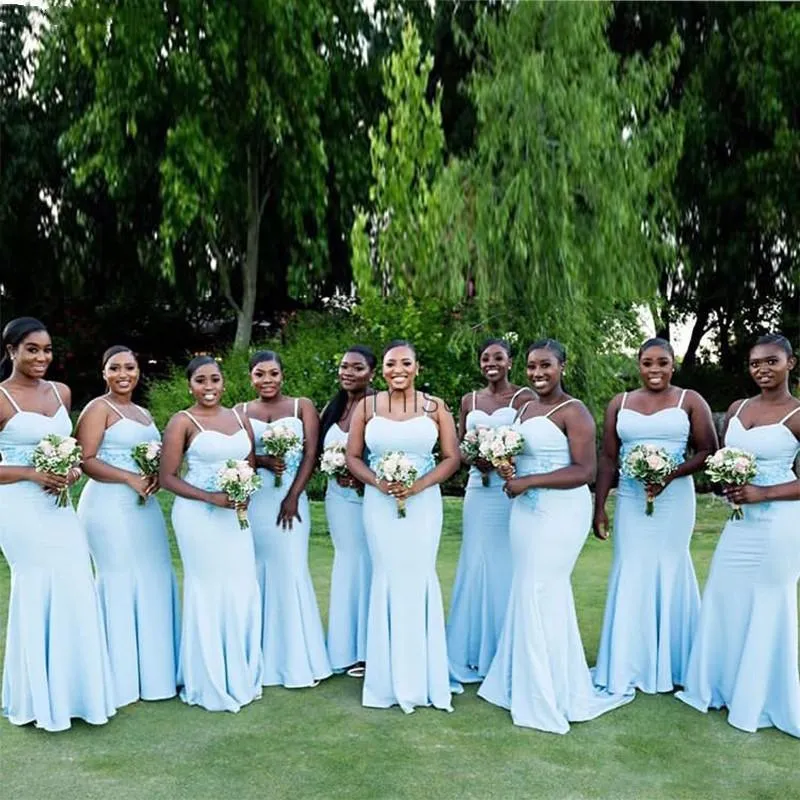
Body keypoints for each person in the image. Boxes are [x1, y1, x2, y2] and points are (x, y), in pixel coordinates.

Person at [478, 339, 634, 732]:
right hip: (524, 512)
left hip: (561, 511)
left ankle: (551, 692)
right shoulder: (526, 406)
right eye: (531, 366)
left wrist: (528, 480)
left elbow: (584, 470)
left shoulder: (575, 411)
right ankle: (523, 682)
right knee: (526, 587)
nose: (537, 373)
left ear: (562, 366)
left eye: (545, 365)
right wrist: (508, 465)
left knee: (542, 588)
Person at [676, 334, 800, 737]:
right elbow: (725, 458)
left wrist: (764, 492)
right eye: (754, 363)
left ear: (790, 363)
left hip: (779, 521)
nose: (762, 368)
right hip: (740, 521)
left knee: (767, 602)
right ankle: (720, 685)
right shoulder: (737, 409)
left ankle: (758, 698)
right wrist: (724, 481)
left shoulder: (798, 414)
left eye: (771, 361)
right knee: (724, 594)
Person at [0, 317, 116, 731]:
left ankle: (78, 694)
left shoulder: (61, 392)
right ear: (11, 350)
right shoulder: (0, 398)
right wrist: (32, 474)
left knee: (74, 580)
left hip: (60, 504)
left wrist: (69, 471)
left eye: (47, 350)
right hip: (17, 504)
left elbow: (71, 450)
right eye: (32, 349)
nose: (41, 357)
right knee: (37, 584)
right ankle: (36, 699)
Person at [592, 338, 717, 694]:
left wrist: (670, 474)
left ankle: (675, 663)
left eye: (662, 362)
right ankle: (627, 662)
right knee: (630, 566)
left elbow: (709, 450)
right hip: (632, 499)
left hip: (675, 499)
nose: (655, 370)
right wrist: (600, 505)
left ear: (672, 364)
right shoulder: (621, 402)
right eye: (647, 363)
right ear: (639, 365)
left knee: (670, 564)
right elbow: (608, 458)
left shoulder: (690, 400)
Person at [346, 340, 461, 713]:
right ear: (382, 369)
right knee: (387, 575)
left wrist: (419, 485)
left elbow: (451, 457)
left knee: (418, 576)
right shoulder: (367, 406)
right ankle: (384, 678)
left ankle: (423, 675)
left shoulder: (435, 406)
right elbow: (352, 457)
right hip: (379, 504)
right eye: (391, 363)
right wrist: (378, 483)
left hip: (424, 503)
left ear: (417, 367)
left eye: (406, 363)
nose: (399, 369)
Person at [76, 345, 179, 707]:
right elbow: (85, 460)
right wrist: (130, 479)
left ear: (138, 371)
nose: (124, 374)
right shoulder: (97, 409)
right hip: (107, 505)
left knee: (153, 576)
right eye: (115, 368)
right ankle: (118, 681)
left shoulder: (143, 412)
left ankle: (156, 677)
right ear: (103, 373)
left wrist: (152, 475)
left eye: (130, 367)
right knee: (119, 580)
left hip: (144, 508)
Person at [160, 356, 263, 711]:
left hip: (235, 516)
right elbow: (167, 477)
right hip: (198, 516)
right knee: (208, 589)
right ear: (190, 385)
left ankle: (240, 672)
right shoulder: (181, 422)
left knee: (241, 585)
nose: (208, 387)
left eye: (214, 380)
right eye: (200, 381)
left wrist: (244, 490)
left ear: (224, 382)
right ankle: (208, 679)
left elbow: (249, 463)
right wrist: (210, 497)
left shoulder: (239, 417)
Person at [239, 351, 332, 688]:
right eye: (259, 374)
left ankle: (295, 659)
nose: (267, 380)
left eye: (273, 373)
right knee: (255, 570)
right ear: (250, 377)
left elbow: (311, 452)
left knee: (291, 568)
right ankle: (259, 655)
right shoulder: (240, 411)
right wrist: (261, 461)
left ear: (283, 375)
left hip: (291, 497)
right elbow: (239, 455)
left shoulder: (301, 406)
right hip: (255, 499)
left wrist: (293, 495)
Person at [447, 338, 533, 683]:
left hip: (508, 489)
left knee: (505, 563)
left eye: (498, 357)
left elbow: (530, 442)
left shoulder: (523, 398)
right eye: (485, 358)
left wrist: (502, 459)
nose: (491, 363)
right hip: (477, 490)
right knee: (475, 559)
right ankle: (468, 650)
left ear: (510, 362)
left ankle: (504, 647)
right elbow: (458, 448)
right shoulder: (469, 399)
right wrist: (476, 457)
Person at [319, 346, 376, 677]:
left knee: (369, 564)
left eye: (356, 368)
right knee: (347, 562)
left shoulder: (379, 406)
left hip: (369, 495)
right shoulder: (334, 407)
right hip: (337, 498)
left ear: (371, 373)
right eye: (343, 367)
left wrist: (362, 476)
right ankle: (344, 648)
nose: (347, 373)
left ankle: (369, 649)